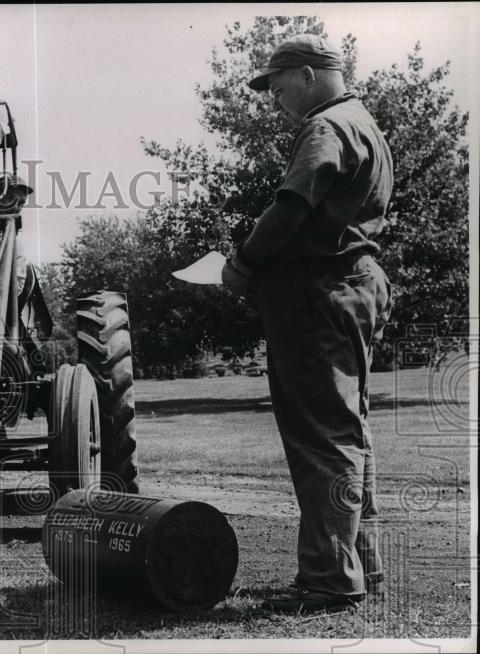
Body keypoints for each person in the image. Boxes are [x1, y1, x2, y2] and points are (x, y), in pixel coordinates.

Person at [221, 34, 394, 613]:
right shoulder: (364, 122)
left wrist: (243, 261)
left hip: (317, 293)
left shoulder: (324, 128)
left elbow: (290, 208)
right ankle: (361, 563)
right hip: (352, 285)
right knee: (349, 429)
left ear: (306, 74)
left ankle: (327, 578)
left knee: (322, 435)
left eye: (275, 84)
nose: (272, 99)